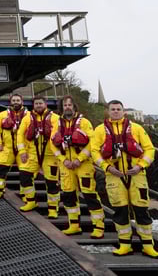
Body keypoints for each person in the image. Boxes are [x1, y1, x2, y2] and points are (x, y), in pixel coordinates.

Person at [92, 100, 158, 258]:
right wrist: (107, 167)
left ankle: (148, 246)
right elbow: (94, 151)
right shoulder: (100, 130)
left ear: (124, 111)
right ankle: (125, 245)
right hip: (113, 176)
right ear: (108, 112)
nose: (116, 111)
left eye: (118, 109)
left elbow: (149, 149)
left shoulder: (137, 128)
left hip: (136, 175)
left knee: (141, 210)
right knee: (120, 211)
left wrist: (140, 166)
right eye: (113, 109)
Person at [50, 96, 104, 239]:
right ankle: (74, 225)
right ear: (62, 107)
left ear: (74, 106)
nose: (67, 107)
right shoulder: (57, 123)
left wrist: (80, 159)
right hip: (66, 165)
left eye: (70, 104)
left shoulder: (84, 122)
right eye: (65, 105)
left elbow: (92, 143)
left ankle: (98, 227)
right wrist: (63, 160)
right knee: (68, 195)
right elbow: (52, 143)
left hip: (83, 165)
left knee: (90, 195)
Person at [16, 96, 61, 215]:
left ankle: (53, 209)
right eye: (36, 104)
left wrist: (59, 155)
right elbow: (20, 135)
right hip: (32, 154)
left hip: (50, 155)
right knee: (24, 176)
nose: (39, 105)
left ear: (45, 104)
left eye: (41, 103)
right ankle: (31, 201)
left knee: (52, 183)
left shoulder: (55, 118)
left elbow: (58, 135)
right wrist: (22, 151)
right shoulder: (27, 118)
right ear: (33, 105)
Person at [0, 95, 28, 202]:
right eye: (14, 100)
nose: (16, 102)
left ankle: (25, 195)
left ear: (22, 101)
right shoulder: (2, 115)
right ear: (10, 102)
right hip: (7, 148)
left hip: (24, 149)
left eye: (18, 100)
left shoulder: (28, 115)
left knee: (26, 173)